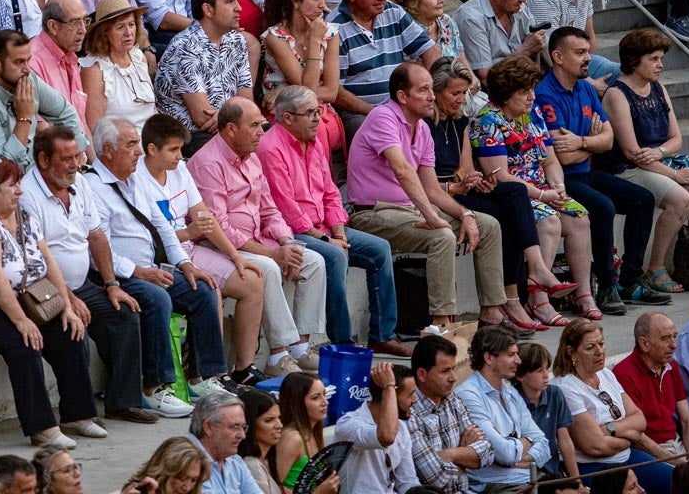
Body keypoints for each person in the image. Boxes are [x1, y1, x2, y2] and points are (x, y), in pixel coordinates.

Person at [0, 154, 101, 450]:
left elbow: (48, 260)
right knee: (22, 342)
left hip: (18, 298)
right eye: (12, 186)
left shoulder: (22, 215)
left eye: (19, 184)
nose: (19, 191)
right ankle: (42, 428)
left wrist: (66, 305)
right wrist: (22, 321)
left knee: (68, 331)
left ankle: (77, 415)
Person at [347, 63, 506, 328]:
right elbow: (402, 171)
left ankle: (492, 313)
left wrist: (464, 214)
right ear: (402, 96)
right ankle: (441, 324)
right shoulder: (382, 116)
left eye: (432, 89)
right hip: (373, 213)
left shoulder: (421, 128)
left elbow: (432, 189)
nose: (432, 96)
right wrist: (432, 217)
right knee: (441, 236)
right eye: (423, 90)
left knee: (487, 225)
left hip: (409, 210)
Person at [86, 117, 232, 405]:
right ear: (107, 150)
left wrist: (184, 264)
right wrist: (138, 271)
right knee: (157, 298)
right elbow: (96, 247)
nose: (138, 152)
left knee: (203, 289)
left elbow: (162, 226)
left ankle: (204, 378)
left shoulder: (135, 179)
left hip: (151, 268)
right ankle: (155, 387)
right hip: (119, 274)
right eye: (130, 145)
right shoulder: (92, 187)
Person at [22, 125, 159, 424]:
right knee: (74, 327)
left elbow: (96, 236)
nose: (75, 164)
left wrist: (111, 284)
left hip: (81, 284)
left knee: (123, 311)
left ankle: (123, 401)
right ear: (44, 160)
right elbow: (34, 260)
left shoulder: (79, 183)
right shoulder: (28, 194)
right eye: (66, 158)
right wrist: (67, 298)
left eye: (77, 156)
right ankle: (79, 413)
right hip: (41, 288)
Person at [260, 85, 408, 356]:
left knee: (380, 249)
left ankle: (382, 335)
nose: (318, 118)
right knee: (334, 257)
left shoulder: (315, 141)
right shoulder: (271, 148)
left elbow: (330, 191)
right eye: (310, 113)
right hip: (292, 231)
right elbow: (286, 208)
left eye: (318, 112)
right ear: (287, 118)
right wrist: (328, 240)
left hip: (325, 228)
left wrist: (338, 233)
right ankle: (342, 342)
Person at [429, 56, 572, 332]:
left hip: (460, 189)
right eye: (454, 93)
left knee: (513, 195)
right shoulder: (425, 125)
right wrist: (460, 186)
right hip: (441, 193)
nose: (461, 99)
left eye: (463, 93)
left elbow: (467, 170)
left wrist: (476, 181)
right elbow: (426, 179)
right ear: (435, 93)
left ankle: (528, 280)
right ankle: (515, 293)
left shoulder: (461, 123)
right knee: (504, 213)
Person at [190, 98, 328, 377]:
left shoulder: (251, 157)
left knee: (313, 260)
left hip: (255, 239)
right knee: (265, 268)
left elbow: (269, 209)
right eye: (253, 126)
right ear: (230, 129)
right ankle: (278, 354)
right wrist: (273, 254)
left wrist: (286, 243)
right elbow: (219, 228)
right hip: (218, 246)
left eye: (260, 125)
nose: (261, 132)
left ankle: (300, 348)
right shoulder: (208, 164)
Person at [535, 27, 669, 310]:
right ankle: (606, 286)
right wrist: (592, 143)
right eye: (580, 53)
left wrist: (583, 142)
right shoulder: (545, 94)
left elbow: (608, 141)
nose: (588, 58)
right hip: (559, 179)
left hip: (586, 170)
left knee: (642, 199)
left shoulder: (585, 87)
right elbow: (560, 156)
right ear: (558, 57)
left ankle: (630, 281)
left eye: (587, 51)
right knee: (603, 206)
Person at [135, 114, 268, 390]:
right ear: (151, 149)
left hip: (188, 249)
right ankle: (206, 377)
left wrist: (236, 256)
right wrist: (189, 233)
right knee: (210, 290)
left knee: (251, 281)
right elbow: (148, 239)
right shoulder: (137, 179)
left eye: (180, 149)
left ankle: (243, 368)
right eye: (173, 150)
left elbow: (204, 217)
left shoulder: (179, 170)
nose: (179, 156)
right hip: (160, 259)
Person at [470, 54, 603, 319]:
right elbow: (499, 175)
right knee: (550, 221)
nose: (531, 96)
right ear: (506, 94)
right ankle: (539, 298)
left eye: (532, 89)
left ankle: (584, 294)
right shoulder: (487, 121)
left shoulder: (533, 114)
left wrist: (558, 186)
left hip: (544, 189)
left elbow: (550, 159)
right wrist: (543, 194)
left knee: (580, 218)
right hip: (515, 193)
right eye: (523, 91)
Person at [603, 27, 689, 290]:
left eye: (661, 58)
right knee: (681, 198)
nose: (660, 65)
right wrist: (676, 175)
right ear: (633, 61)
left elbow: (676, 139)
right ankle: (655, 269)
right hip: (627, 168)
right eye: (653, 59)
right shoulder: (617, 94)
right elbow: (632, 153)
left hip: (661, 161)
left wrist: (662, 152)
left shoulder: (658, 89)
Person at [0, 30, 88, 197]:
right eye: (19, 62)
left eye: (28, 60)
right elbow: (2, 168)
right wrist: (24, 118)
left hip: (22, 172)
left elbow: (65, 111)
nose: (27, 69)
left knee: (76, 186)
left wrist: (76, 153)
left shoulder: (26, 78)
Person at [551, 319, 673, 494]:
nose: (600, 352)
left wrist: (609, 428)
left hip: (628, 456)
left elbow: (639, 419)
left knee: (684, 481)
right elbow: (595, 446)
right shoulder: (565, 388)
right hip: (597, 467)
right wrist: (630, 436)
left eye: (601, 344)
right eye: (590, 347)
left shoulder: (606, 374)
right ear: (571, 352)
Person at [328, 0, 440, 140]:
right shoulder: (334, 28)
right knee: (379, 131)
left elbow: (431, 52)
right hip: (360, 111)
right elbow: (337, 92)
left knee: (445, 114)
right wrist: (380, 113)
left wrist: (422, 91)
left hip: (401, 103)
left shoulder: (392, 12)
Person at [153, 0, 252, 155]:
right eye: (230, 1)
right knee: (238, 147)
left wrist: (230, 118)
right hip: (188, 135)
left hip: (227, 126)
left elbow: (246, 100)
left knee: (271, 136)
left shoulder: (236, 40)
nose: (239, 8)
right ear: (208, 9)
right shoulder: (185, 47)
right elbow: (202, 117)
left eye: (237, 0)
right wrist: (234, 117)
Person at [456, 325, 551, 490]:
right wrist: (527, 441)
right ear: (489, 358)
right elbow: (504, 453)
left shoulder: (509, 391)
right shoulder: (468, 396)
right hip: (493, 485)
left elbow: (543, 444)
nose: (518, 360)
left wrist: (514, 452)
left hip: (528, 478)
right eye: (511, 354)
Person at [407, 334, 495, 494]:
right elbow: (436, 479)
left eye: (453, 369)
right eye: (445, 371)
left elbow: (488, 452)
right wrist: (466, 454)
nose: (453, 378)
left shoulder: (452, 399)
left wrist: (450, 454)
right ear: (422, 375)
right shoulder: (409, 410)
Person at [259, 0, 340, 131]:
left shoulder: (330, 33)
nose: (323, 6)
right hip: (284, 112)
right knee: (306, 126)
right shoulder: (276, 37)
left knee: (315, 125)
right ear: (296, 1)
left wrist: (283, 91)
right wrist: (314, 42)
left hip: (319, 109)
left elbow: (331, 92)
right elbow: (308, 89)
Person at [613, 313, 689, 462]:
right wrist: (680, 465)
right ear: (644, 344)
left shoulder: (670, 366)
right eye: (666, 338)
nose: (674, 345)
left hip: (678, 445)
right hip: (650, 453)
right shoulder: (623, 374)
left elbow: (687, 419)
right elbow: (637, 437)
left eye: (674, 336)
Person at [392, 0, 482, 113]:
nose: (441, 0)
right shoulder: (407, 31)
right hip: (432, 99)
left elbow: (460, 55)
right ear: (414, 2)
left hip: (461, 91)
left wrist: (472, 79)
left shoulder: (446, 21)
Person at [453, 0, 545, 85]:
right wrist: (524, 50)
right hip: (496, 91)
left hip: (524, 83)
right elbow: (486, 77)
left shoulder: (517, 8)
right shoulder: (471, 19)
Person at [336, 363, 420, 494]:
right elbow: (386, 437)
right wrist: (389, 387)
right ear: (390, 396)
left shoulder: (402, 428)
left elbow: (407, 481)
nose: (415, 400)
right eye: (410, 394)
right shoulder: (348, 424)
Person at [514, 342, 583, 489]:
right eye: (539, 370)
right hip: (526, 478)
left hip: (553, 473)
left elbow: (565, 441)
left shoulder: (554, 394)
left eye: (547, 368)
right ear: (520, 375)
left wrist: (577, 482)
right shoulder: (512, 401)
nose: (546, 375)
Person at [80, 0, 156, 132]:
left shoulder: (139, 57)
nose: (128, 33)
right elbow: (95, 126)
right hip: (120, 147)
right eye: (120, 27)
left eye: (131, 25)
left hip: (152, 141)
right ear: (104, 34)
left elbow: (151, 110)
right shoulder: (94, 69)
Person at [27, 0, 90, 134]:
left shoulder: (70, 55)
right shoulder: (32, 62)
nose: (83, 30)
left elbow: (82, 125)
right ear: (53, 26)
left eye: (85, 20)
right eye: (75, 23)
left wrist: (93, 157)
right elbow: (43, 131)